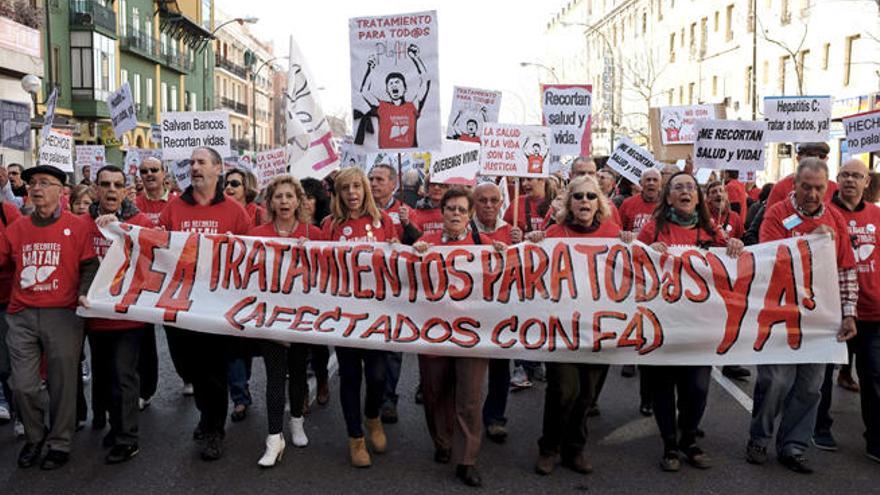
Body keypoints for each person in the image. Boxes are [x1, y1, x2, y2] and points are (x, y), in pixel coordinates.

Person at [747, 157, 857, 474]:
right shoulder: (777, 214)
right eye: (806, 187)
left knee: (811, 387)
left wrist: (848, 315)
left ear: (827, 187)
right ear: (795, 184)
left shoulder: (836, 220)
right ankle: (759, 437)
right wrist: (812, 243)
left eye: (818, 188)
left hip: (819, 320)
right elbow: (769, 260)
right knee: (776, 382)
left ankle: (793, 445)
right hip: (781, 315)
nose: (811, 194)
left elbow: (846, 271)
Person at [638, 171, 744, 472]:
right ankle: (670, 444)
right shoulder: (652, 229)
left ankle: (689, 438)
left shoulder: (712, 231)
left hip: (700, 325)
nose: (685, 191)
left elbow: (731, 268)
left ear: (698, 196)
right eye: (678, 188)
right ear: (668, 197)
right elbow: (631, 264)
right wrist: (646, 251)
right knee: (663, 386)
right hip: (662, 323)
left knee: (696, 387)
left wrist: (734, 245)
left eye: (690, 187)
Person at [526, 175, 631, 476]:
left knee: (587, 394)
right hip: (563, 328)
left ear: (600, 202)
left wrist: (633, 245)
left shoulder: (614, 234)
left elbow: (628, 277)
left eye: (590, 197)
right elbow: (536, 276)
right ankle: (549, 448)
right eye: (578, 197)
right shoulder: (554, 233)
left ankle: (575, 449)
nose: (584, 202)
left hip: (600, 328)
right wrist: (535, 244)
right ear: (569, 202)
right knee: (563, 389)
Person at [0, 164, 98, 470]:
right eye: (31, 184)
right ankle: (34, 436)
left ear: (61, 190)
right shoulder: (16, 228)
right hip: (22, 315)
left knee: (63, 383)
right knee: (23, 385)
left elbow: (91, 265)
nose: (36, 188)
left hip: (63, 314)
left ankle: (60, 442)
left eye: (44, 183)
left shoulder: (79, 226)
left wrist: (84, 292)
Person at [159, 147, 252, 461]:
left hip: (216, 307)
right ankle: (206, 414)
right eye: (192, 163)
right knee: (190, 368)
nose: (194, 167)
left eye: (201, 162)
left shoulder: (235, 212)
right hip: (181, 305)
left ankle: (214, 430)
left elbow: (250, 258)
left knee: (213, 371)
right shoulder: (173, 209)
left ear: (217, 169)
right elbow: (155, 247)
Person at [413, 188, 502, 488]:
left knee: (469, 398)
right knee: (435, 393)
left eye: (461, 210)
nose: (455, 214)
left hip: (472, 334)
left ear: (470, 215)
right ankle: (443, 442)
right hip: (434, 333)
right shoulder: (426, 245)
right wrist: (410, 255)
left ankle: (467, 460)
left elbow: (504, 278)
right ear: (441, 213)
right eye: (450, 208)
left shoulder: (483, 244)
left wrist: (510, 253)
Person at [322, 167, 397, 468]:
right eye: (345, 188)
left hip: (377, 314)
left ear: (365, 189)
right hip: (344, 314)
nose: (352, 193)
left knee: (378, 375)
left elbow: (400, 260)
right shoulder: (329, 225)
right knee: (350, 377)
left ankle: (373, 417)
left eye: (357, 186)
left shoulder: (384, 221)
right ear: (338, 194)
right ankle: (355, 438)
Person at [80, 165, 153, 464]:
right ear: (95, 189)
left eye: (117, 185)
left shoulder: (140, 221)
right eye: (105, 184)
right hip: (95, 317)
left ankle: (127, 438)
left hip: (128, 317)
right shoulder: (82, 224)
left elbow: (155, 259)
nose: (111, 190)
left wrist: (120, 230)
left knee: (125, 376)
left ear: (126, 190)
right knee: (106, 376)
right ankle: (116, 426)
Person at [247, 175, 320, 467]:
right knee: (275, 377)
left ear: (299, 201)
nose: (284, 202)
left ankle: (297, 422)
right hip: (270, 317)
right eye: (279, 197)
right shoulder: (257, 233)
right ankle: (274, 438)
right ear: (271, 202)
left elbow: (331, 274)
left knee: (298, 373)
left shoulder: (313, 233)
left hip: (303, 317)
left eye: (290, 196)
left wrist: (313, 253)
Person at [823, 159, 878, 457]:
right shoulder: (825, 214)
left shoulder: (877, 215)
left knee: (874, 378)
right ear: (837, 178)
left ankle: (876, 441)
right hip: (832, 310)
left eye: (857, 176)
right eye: (845, 175)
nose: (850, 181)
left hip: (872, 312)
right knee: (822, 378)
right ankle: (820, 429)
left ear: (867, 182)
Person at [471, 182, 522, 444]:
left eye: (494, 200)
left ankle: (494, 417)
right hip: (469, 312)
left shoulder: (511, 231)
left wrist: (522, 245)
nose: (489, 205)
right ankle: (466, 418)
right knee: (469, 370)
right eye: (482, 200)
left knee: (500, 369)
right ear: (474, 203)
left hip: (502, 310)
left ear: (502, 202)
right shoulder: (463, 229)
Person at [369, 164, 420, 424]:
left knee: (392, 349)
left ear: (393, 184)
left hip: (397, 289)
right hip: (368, 290)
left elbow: (421, 245)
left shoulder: (406, 211)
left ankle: (388, 399)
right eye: (372, 179)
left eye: (380, 179)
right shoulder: (363, 210)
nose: (374, 183)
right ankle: (372, 398)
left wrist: (407, 226)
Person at [618, 168, 662, 407]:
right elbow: (617, 231)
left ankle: (649, 397)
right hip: (632, 268)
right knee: (634, 316)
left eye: (656, 180)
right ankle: (630, 355)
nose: (652, 183)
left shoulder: (667, 206)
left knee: (651, 323)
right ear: (641, 184)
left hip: (658, 274)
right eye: (648, 180)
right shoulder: (627, 204)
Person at [359, 44, 430, 148]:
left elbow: (425, 81)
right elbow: (365, 92)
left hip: (409, 155)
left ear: (405, 88)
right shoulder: (382, 106)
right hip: (385, 156)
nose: (394, 85)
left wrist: (415, 58)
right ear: (387, 90)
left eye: (397, 82)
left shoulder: (412, 106)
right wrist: (370, 69)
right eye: (391, 84)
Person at [300, 178, 332, 407]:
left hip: (319, 293)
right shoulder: (290, 225)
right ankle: (300, 391)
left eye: (310, 197)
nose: (305, 202)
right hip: (294, 294)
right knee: (298, 348)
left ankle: (322, 380)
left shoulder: (325, 227)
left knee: (318, 345)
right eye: (301, 197)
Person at [0, 189, 22, 430]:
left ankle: (21, 414)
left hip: (6, 300)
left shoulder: (8, 212)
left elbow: (17, 253)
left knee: (7, 365)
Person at [765, 143, 837, 208]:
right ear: (798, 159)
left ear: (826, 159)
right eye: (810, 155)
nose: (816, 159)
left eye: (821, 156)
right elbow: (771, 217)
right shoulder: (781, 187)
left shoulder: (835, 188)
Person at [134, 157, 175, 227]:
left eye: (154, 170)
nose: (149, 174)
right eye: (144, 171)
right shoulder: (134, 204)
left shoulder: (177, 201)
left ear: (164, 173)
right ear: (140, 176)